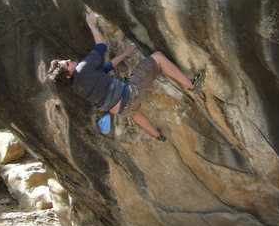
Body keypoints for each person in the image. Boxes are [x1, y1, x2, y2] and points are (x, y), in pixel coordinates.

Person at [47, 12, 204, 140]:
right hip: (129, 94)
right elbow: (101, 46)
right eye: (66, 64)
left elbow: (106, 67)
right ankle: (192, 85)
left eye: (65, 61)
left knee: (134, 112)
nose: (68, 61)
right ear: (67, 75)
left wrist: (126, 53)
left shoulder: (75, 85)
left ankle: (157, 135)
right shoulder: (82, 69)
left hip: (120, 110)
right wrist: (91, 24)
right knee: (158, 58)